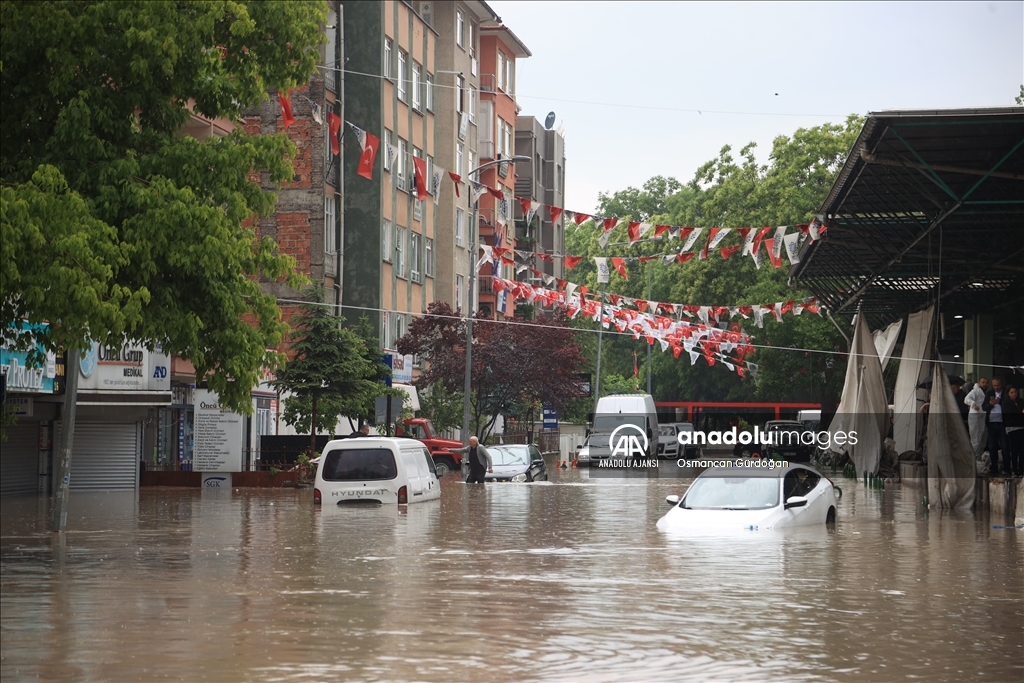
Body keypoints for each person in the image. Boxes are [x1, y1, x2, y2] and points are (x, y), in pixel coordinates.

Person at [984, 377, 1009, 475]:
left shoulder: (1006, 393)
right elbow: (983, 406)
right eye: (994, 385)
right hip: (991, 423)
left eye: (998, 385)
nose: (996, 387)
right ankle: (993, 467)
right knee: (992, 447)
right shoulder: (989, 393)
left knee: (1004, 446)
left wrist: (1000, 402)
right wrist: (990, 404)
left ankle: (1006, 467)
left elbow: (1009, 405)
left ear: (1001, 384)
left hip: (1002, 423)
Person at [1001, 386, 1024, 477]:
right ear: (1008, 393)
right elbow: (1010, 415)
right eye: (1012, 392)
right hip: (1012, 428)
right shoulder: (1006, 403)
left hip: (1021, 427)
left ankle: (1021, 470)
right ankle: (1014, 470)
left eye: (1015, 392)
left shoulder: (1021, 401)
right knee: (1014, 450)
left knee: (1022, 450)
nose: (1014, 394)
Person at [965, 377, 989, 460]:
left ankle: (979, 458)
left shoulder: (985, 393)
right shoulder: (976, 391)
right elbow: (967, 399)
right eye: (983, 382)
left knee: (982, 438)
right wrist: (973, 404)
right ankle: (974, 460)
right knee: (975, 439)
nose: (985, 384)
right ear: (979, 382)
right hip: (975, 415)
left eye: (986, 382)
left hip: (982, 415)